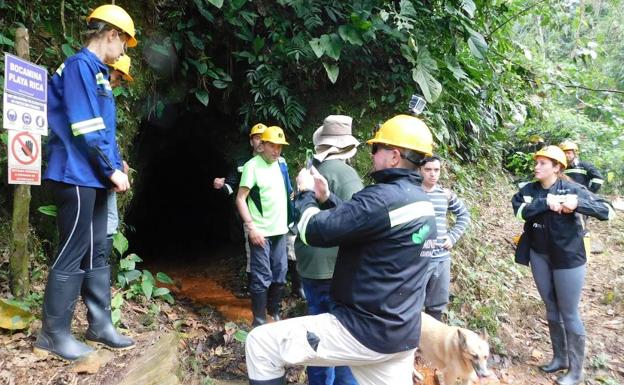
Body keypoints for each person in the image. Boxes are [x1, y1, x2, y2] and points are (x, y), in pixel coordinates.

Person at [245, 115, 438, 385]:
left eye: (376, 149)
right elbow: (366, 223)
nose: (372, 155)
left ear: (394, 156)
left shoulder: (381, 197)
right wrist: (327, 199)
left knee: (260, 343)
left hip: (363, 330)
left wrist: (305, 194)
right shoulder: (421, 202)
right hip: (401, 334)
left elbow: (314, 229)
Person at [35, 4, 138, 361]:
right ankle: (53, 333)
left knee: (96, 249)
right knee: (72, 250)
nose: (122, 52)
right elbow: (84, 126)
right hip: (75, 173)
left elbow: (104, 130)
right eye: (123, 44)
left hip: (92, 175)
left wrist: (112, 166)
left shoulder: (96, 71)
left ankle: (99, 324)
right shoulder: (81, 66)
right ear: (111, 35)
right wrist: (111, 169)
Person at [512, 145, 614, 385]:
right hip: (539, 254)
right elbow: (520, 212)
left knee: (569, 312)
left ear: (557, 168)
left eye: (543, 163)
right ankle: (560, 358)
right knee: (550, 307)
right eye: (536, 162)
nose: (536, 167)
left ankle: (576, 371)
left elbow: (607, 211)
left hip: (568, 257)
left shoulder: (573, 188)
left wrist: (577, 203)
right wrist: (546, 203)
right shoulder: (528, 190)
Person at [294, 115, 363, 385]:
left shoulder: (310, 169)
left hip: (310, 264)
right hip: (334, 269)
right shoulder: (346, 175)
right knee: (339, 336)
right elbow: (360, 221)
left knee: (318, 331)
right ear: (347, 148)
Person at [235, 125, 293, 326]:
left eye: (280, 147)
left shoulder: (281, 165)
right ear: (262, 146)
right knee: (261, 277)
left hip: (280, 231)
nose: (277, 150)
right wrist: (251, 227)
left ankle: (274, 313)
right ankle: (259, 320)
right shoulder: (252, 166)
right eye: (272, 146)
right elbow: (241, 198)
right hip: (261, 231)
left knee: (280, 274)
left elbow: (287, 193)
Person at [214, 123, 266, 287]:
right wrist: (220, 186)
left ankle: (280, 290)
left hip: (273, 214)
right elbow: (230, 188)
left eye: (264, 138)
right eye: (257, 138)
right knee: (253, 254)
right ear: (251, 142)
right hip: (250, 214)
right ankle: (255, 290)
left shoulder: (276, 161)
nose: (261, 142)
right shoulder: (241, 163)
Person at [419, 155, 470, 321]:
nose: (432, 174)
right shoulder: (412, 193)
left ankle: (432, 343)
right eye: (428, 169)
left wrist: (452, 237)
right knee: (413, 304)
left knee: (436, 306)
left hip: (442, 258)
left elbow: (464, 215)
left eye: (436, 170)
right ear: (420, 170)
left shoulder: (445, 195)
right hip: (418, 258)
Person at [104, 54, 133, 258]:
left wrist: (118, 163)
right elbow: (94, 139)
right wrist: (110, 169)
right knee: (105, 224)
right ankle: (95, 276)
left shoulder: (106, 97)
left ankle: (99, 276)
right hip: (100, 175)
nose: (119, 83)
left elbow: (108, 140)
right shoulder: (98, 95)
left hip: (107, 173)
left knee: (109, 223)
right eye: (119, 77)